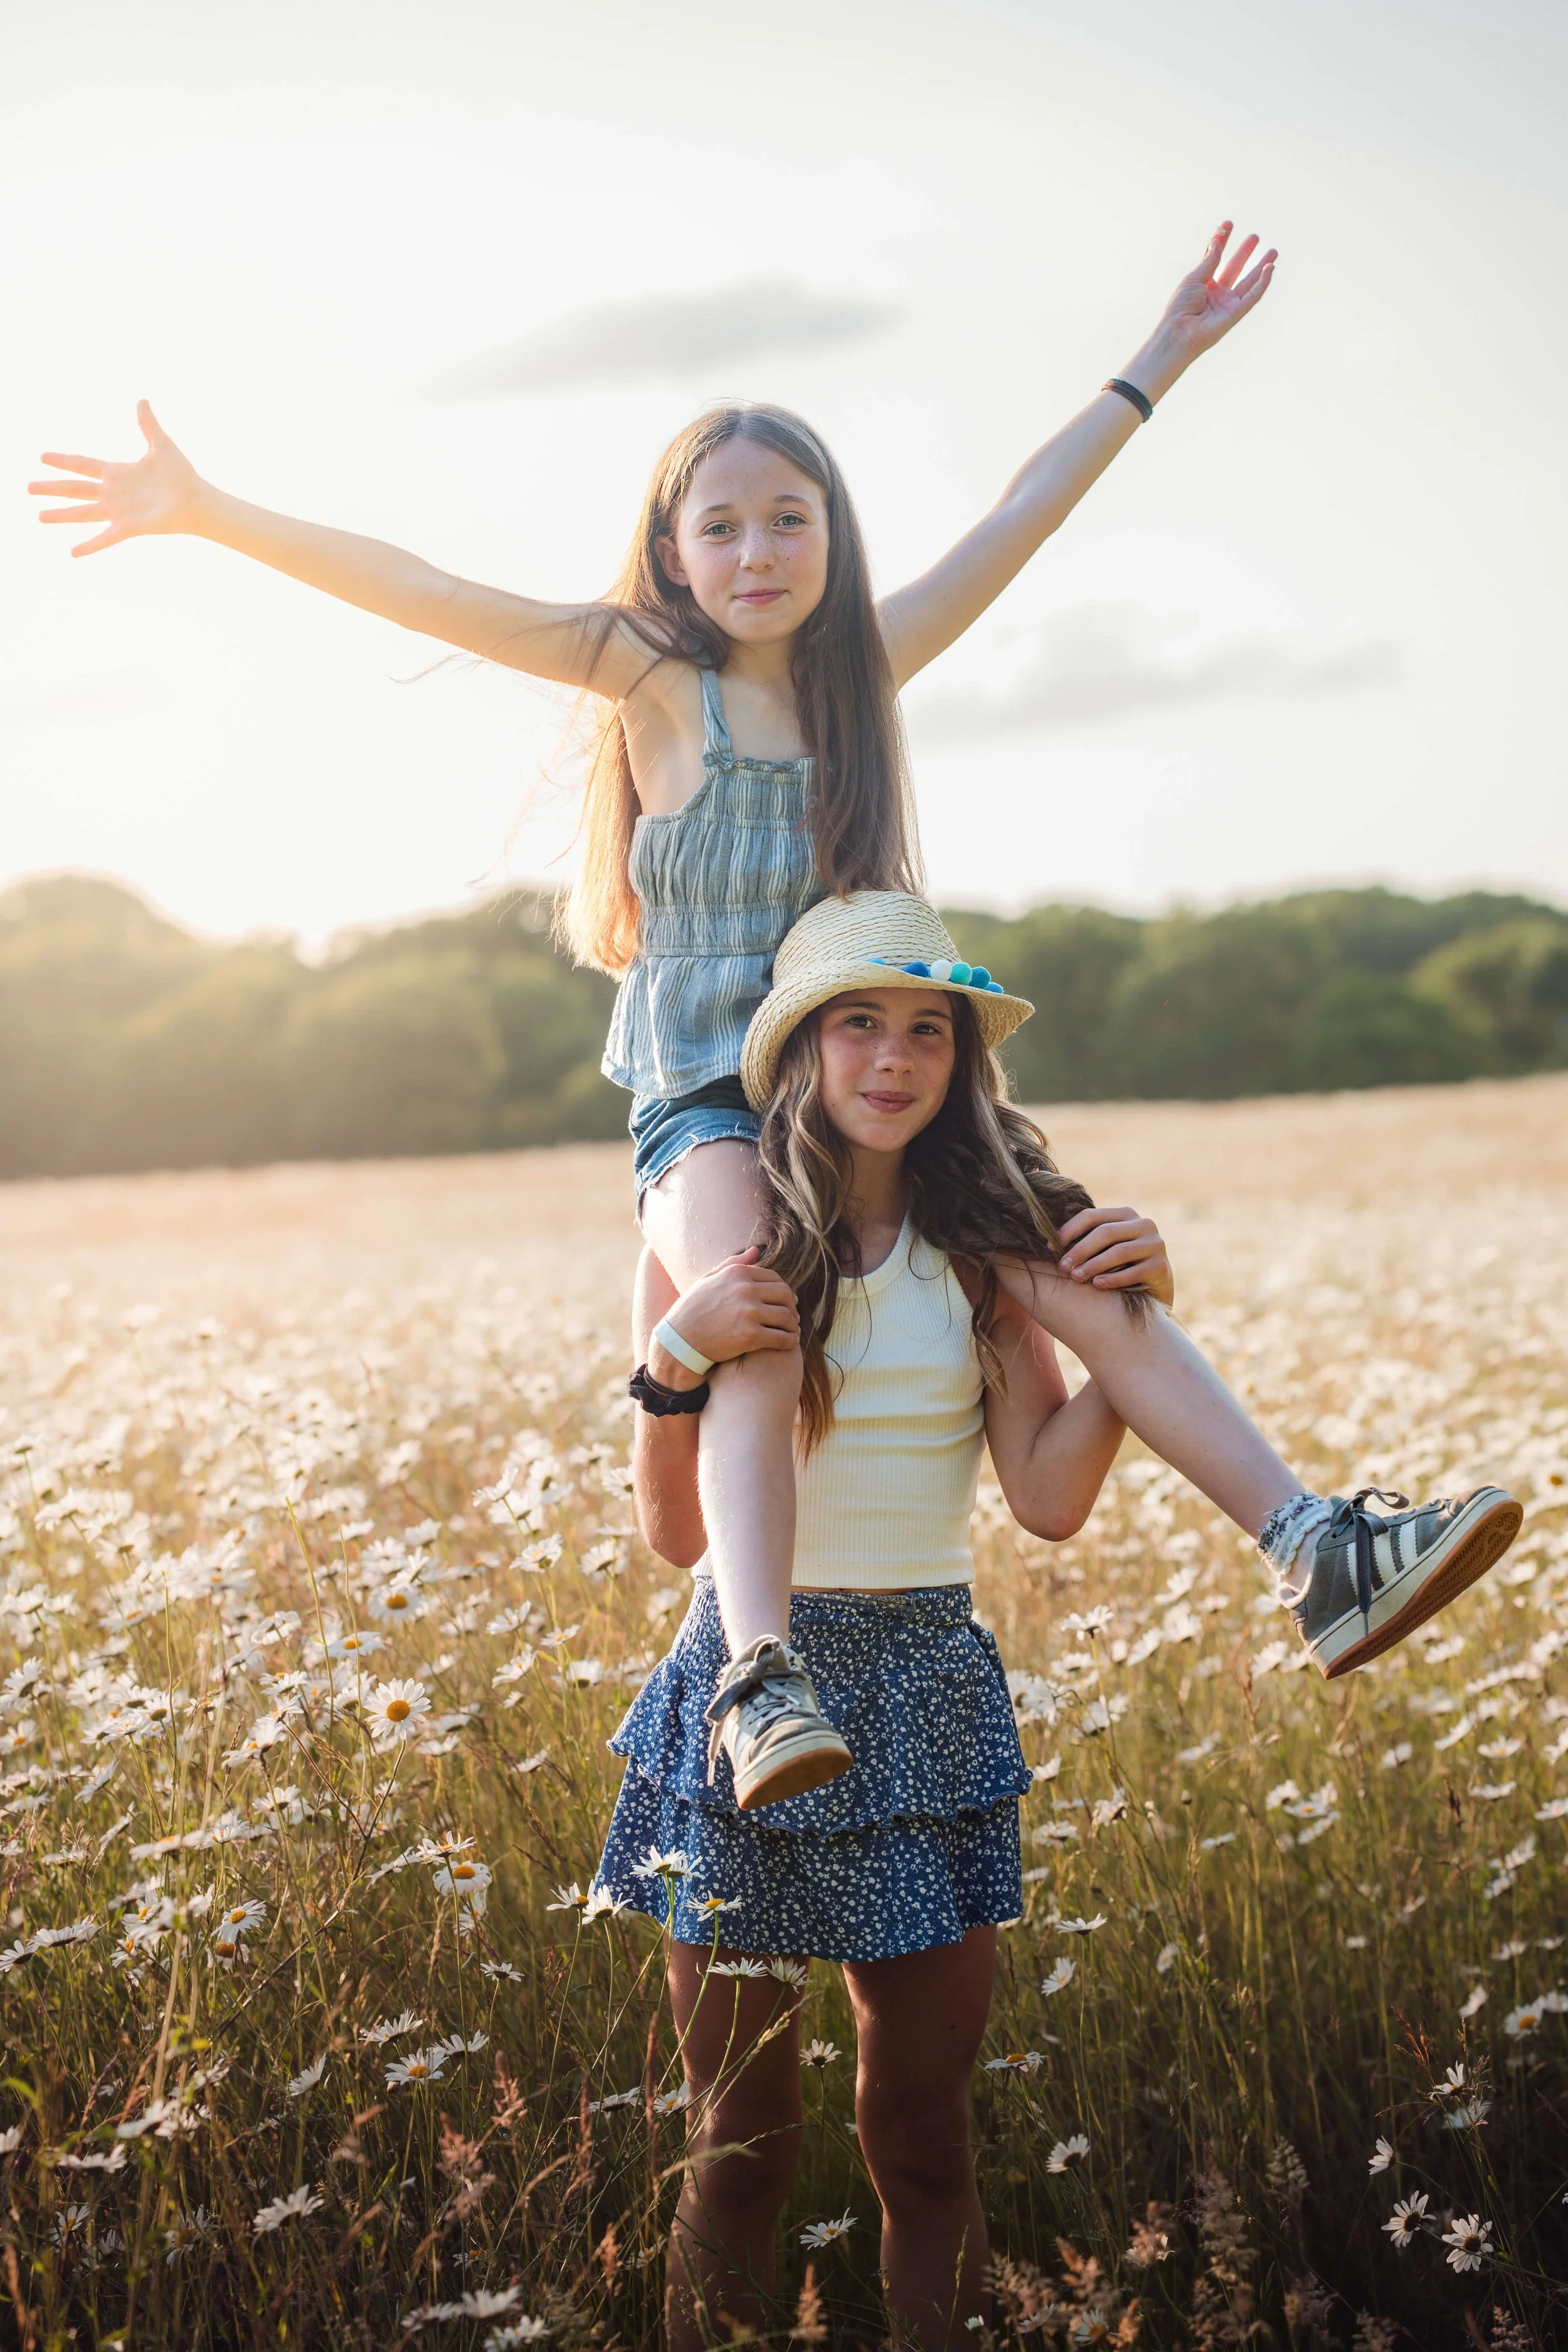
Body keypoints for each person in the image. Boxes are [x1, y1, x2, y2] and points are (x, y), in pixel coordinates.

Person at [34, 225, 1301, 1808]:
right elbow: (425, 587)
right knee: (748, 1287)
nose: (759, 550)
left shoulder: (869, 670)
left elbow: (1021, 513)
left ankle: (1311, 1539)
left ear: (831, 534)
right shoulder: (643, 671)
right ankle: (759, 1675)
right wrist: (213, 514)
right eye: (722, 525)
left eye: (790, 518)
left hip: (868, 1077)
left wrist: (1156, 359)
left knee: (1076, 1261)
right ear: (672, 548)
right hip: (711, 1093)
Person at [598, 893, 1519, 2348]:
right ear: (797, 1050)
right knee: (739, 2142)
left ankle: (1323, 1551)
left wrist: (1121, 1331)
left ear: (960, 1065)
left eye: (926, 1032)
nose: (893, 1061)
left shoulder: (987, 1259)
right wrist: (666, 1361)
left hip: (919, 1690)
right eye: (859, 1024)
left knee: (921, 2136)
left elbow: (1040, 1495)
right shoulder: (712, 1237)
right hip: (749, 1688)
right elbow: (671, 1535)